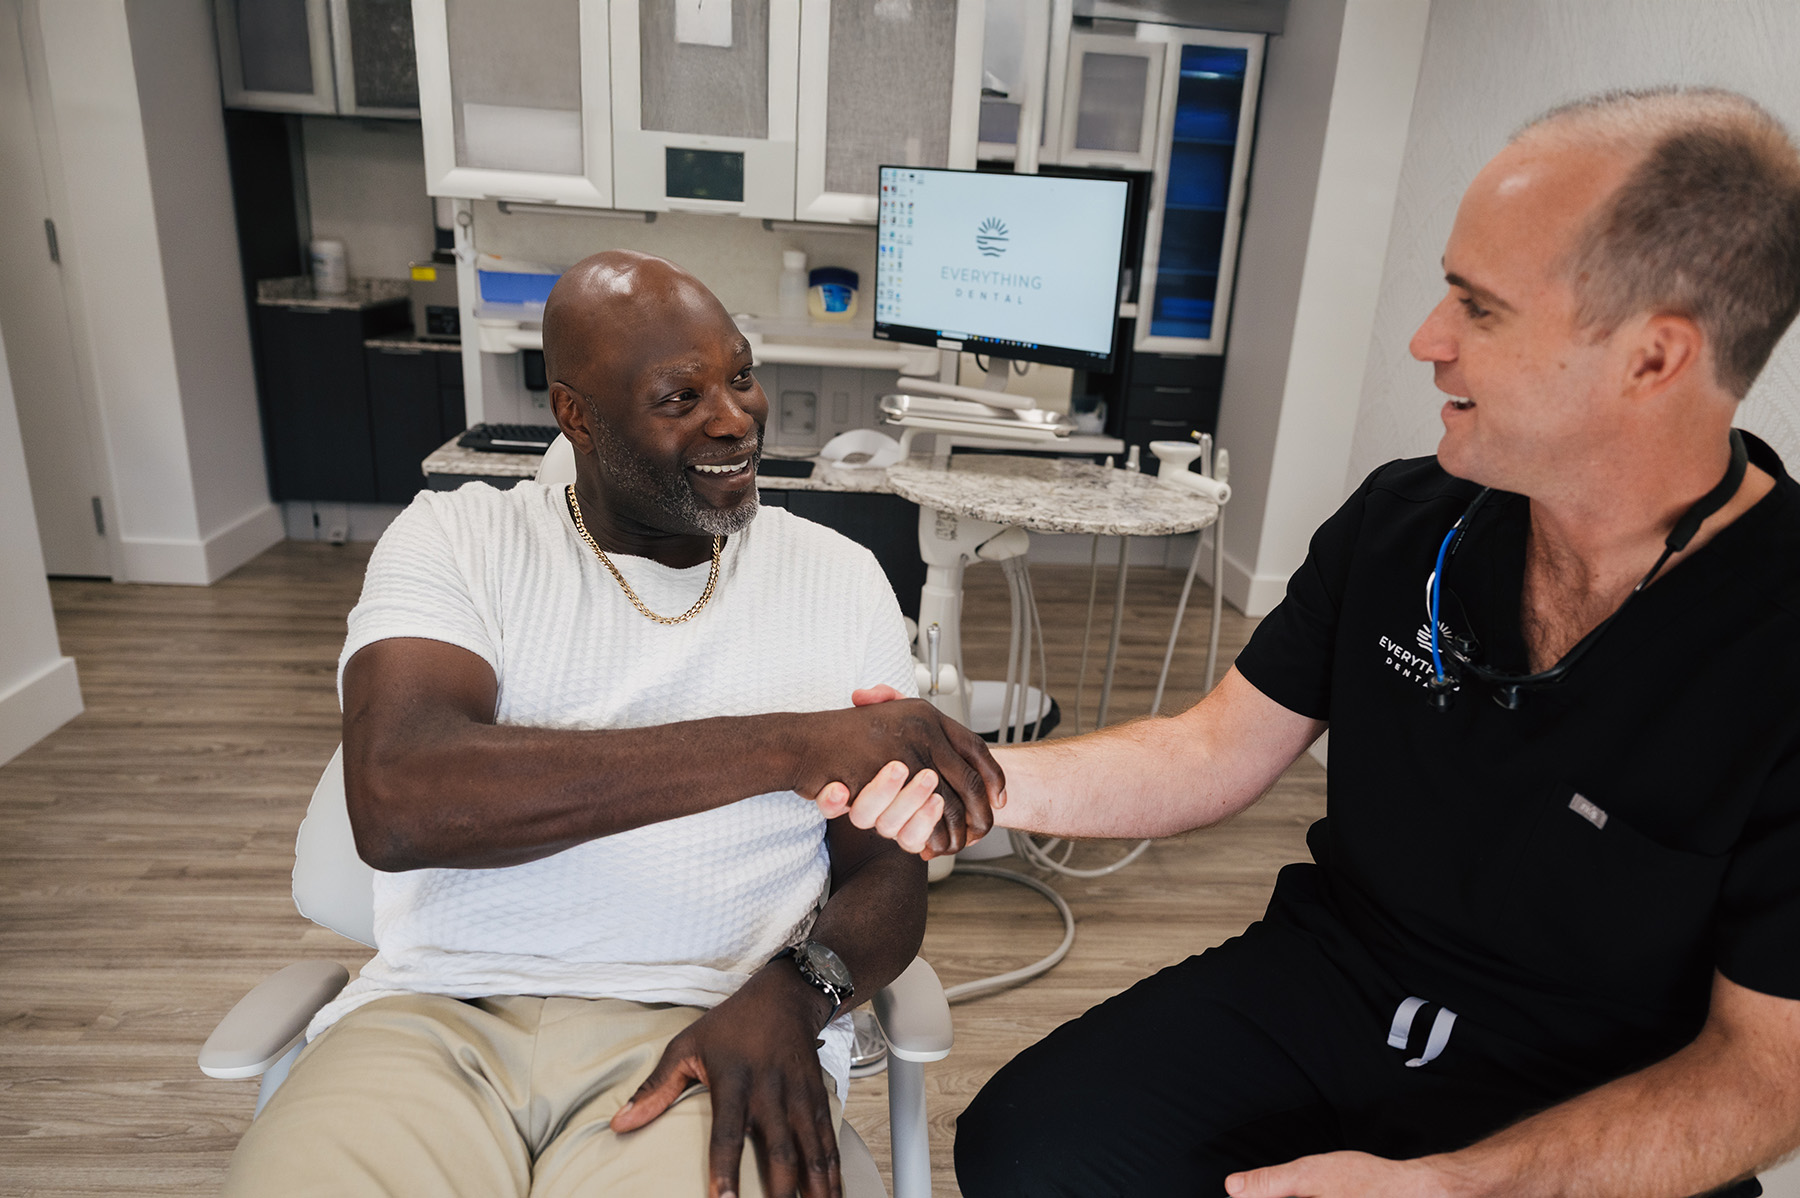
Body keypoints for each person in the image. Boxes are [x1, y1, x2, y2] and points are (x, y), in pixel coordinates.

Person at [835, 87, 1800, 1196]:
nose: (1426, 340)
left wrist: (1457, 1185)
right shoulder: (1408, 523)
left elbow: (1769, 1069)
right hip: (1335, 979)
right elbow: (1213, 750)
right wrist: (977, 775)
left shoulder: (1776, 641)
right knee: (1028, 1149)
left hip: (1599, 1081)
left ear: (1653, 358)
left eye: (1479, 309)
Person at [223, 250, 1002, 1198]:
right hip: (433, 1015)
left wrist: (803, 993)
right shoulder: (459, 540)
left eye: (742, 376)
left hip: (714, 1017)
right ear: (575, 415)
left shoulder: (837, 579)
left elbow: (885, 869)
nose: (735, 418)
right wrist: (787, 744)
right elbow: (399, 800)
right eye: (681, 397)